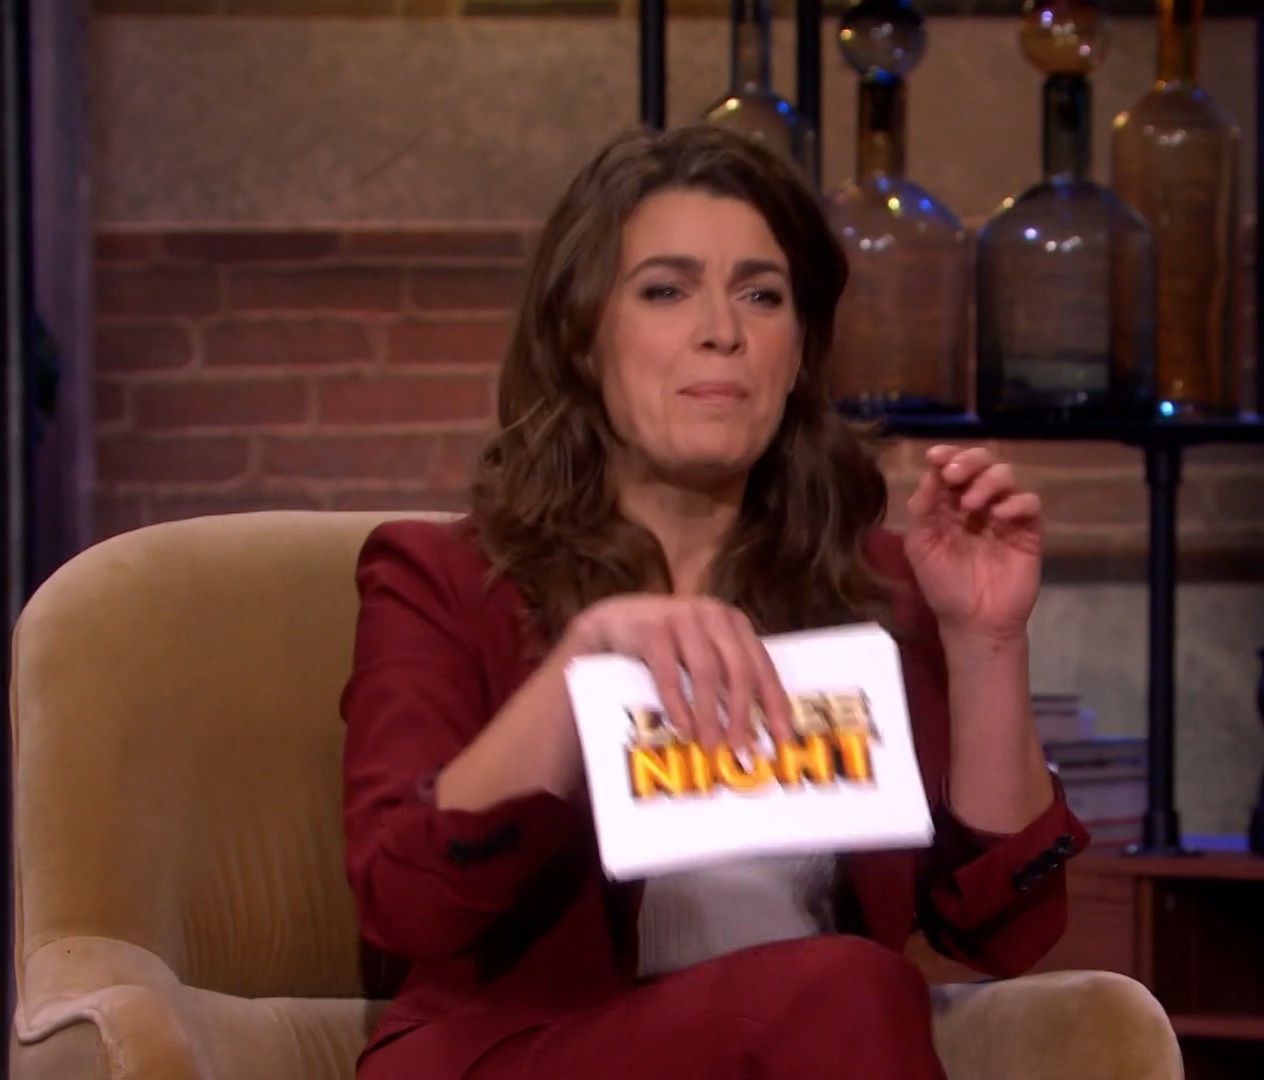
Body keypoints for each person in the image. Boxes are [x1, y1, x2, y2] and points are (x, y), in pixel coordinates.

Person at [339, 123, 1091, 1080]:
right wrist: (583, 664)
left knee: (844, 993)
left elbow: (1005, 931)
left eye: (762, 295)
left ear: (800, 349)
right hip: (533, 1054)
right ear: (581, 336)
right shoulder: (441, 579)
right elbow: (406, 901)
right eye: (666, 290)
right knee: (848, 988)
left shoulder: (872, 587)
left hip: (818, 1052)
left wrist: (985, 641)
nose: (722, 330)